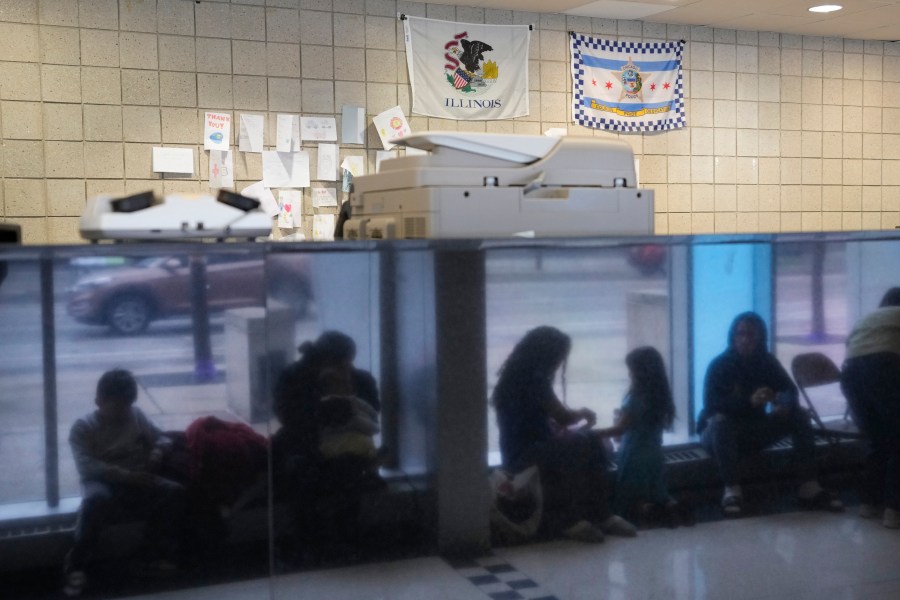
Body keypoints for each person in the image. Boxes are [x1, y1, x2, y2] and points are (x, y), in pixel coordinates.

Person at [492, 326, 636, 543]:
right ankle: (587, 516)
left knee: (582, 443)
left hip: (517, 453)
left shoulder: (512, 378)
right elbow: (563, 417)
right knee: (587, 442)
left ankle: (590, 517)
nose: (560, 363)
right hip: (530, 454)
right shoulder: (536, 381)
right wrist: (584, 414)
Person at [698, 312, 843, 517]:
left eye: (751, 335)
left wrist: (782, 404)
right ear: (733, 336)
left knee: (800, 416)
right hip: (718, 433)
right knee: (721, 423)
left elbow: (789, 390)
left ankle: (808, 485)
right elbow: (711, 406)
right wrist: (749, 401)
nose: (745, 339)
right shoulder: (720, 365)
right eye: (740, 334)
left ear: (760, 338)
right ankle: (731, 490)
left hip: (753, 428)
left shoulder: (766, 362)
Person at [64, 369, 186, 597]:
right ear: (99, 401)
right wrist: (127, 475)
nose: (123, 413)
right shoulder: (84, 427)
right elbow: (88, 466)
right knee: (95, 500)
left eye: (127, 406)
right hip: (102, 480)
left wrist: (157, 450)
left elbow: (160, 437)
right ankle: (77, 562)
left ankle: (149, 553)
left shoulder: (136, 416)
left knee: (175, 492)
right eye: (117, 407)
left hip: (137, 476)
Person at [271, 331, 382, 563]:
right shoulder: (294, 377)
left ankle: (335, 540)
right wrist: (324, 411)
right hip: (304, 444)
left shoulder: (359, 379)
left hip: (340, 445)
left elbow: (372, 413)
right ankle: (315, 541)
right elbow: (289, 418)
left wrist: (346, 397)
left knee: (346, 467)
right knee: (302, 470)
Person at [599, 347, 682, 527]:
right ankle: (671, 506)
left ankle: (645, 511)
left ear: (638, 372)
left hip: (634, 454)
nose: (629, 374)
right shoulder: (660, 398)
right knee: (657, 489)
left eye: (631, 370)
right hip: (654, 453)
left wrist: (592, 433)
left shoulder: (634, 398)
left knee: (634, 494)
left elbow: (620, 430)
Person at [841, 287, 900, 528]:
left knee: (878, 440)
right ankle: (894, 509)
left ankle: (868, 503)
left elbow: (850, 347)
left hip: (851, 373)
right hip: (884, 368)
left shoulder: (867, 318)